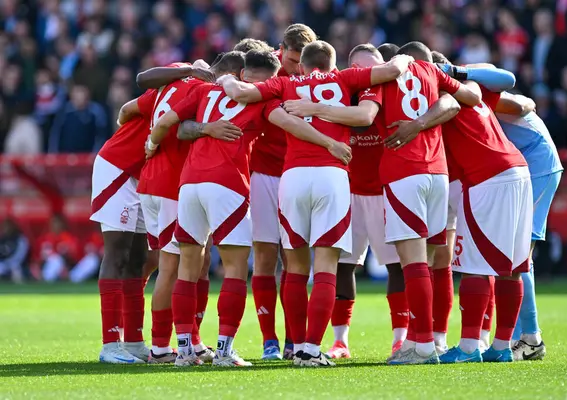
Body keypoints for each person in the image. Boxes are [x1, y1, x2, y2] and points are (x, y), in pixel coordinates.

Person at [149, 50, 351, 367]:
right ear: (252, 78)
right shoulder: (260, 100)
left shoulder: (203, 92)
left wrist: (152, 144)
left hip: (189, 185)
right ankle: (225, 351)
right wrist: (329, 143)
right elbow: (291, 124)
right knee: (234, 269)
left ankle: (185, 350)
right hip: (228, 184)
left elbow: (167, 124)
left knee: (187, 269)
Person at [220, 40, 416, 366]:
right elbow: (393, 71)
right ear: (334, 64)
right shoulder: (346, 78)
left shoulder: (285, 82)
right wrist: (406, 58)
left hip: (292, 177)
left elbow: (241, 93)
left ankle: (296, 347)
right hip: (332, 175)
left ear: (301, 66)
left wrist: (225, 78)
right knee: (326, 265)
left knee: (295, 267)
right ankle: (312, 349)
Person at [281, 43, 460, 359]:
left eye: (372, 67)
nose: (367, 75)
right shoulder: (340, 89)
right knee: (342, 267)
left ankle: (403, 337)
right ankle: (340, 341)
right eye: (362, 68)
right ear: (350, 68)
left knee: (399, 266)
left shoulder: (383, 91)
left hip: (386, 190)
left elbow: (368, 116)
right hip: (348, 189)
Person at [123, 61, 234, 364]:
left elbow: (126, 110)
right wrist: (153, 141)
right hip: (172, 184)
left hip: (151, 182)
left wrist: (148, 144)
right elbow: (174, 126)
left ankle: (193, 341)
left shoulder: (166, 87)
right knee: (172, 268)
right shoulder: (204, 90)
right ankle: (160, 347)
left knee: (193, 263)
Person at [427, 51, 533, 364]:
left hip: (487, 179)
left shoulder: (442, 98)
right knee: (512, 268)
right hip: (517, 170)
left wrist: (452, 71)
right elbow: (507, 80)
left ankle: (470, 348)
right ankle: (501, 348)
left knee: (474, 266)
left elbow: (507, 80)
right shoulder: (473, 87)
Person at [245, 24, 317, 361]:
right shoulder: (264, 71)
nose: (297, 67)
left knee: (296, 257)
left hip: (298, 173)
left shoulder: (317, 73)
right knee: (264, 255)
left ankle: (295, 338)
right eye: (291, 60)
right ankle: (269, 340)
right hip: (262, 172)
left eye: (301, 61)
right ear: (280, 51)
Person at [495, 91, 563, 361]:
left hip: (539, 167)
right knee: (517, 255)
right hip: (525, 169)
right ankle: (519, 337)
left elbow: (522, 103)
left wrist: (459, 73)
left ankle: (532, 339)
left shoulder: (474, 85)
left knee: (519, 254)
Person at [91, 93, 154, 364]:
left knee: (138, 260)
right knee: (117, 254)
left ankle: (134, 342)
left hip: (141, 173)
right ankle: (110, 345)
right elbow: (128, 106)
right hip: (118, 168)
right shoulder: (184, 78)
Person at [0, 218, 29, 283]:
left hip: (17, 264)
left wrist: (10, 263)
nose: (6, 229)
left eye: (8, 226)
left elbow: (20, 255)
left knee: (16, 270)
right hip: (3, 264)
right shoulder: (2, 239)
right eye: (4, 226)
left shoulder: (20, 238)